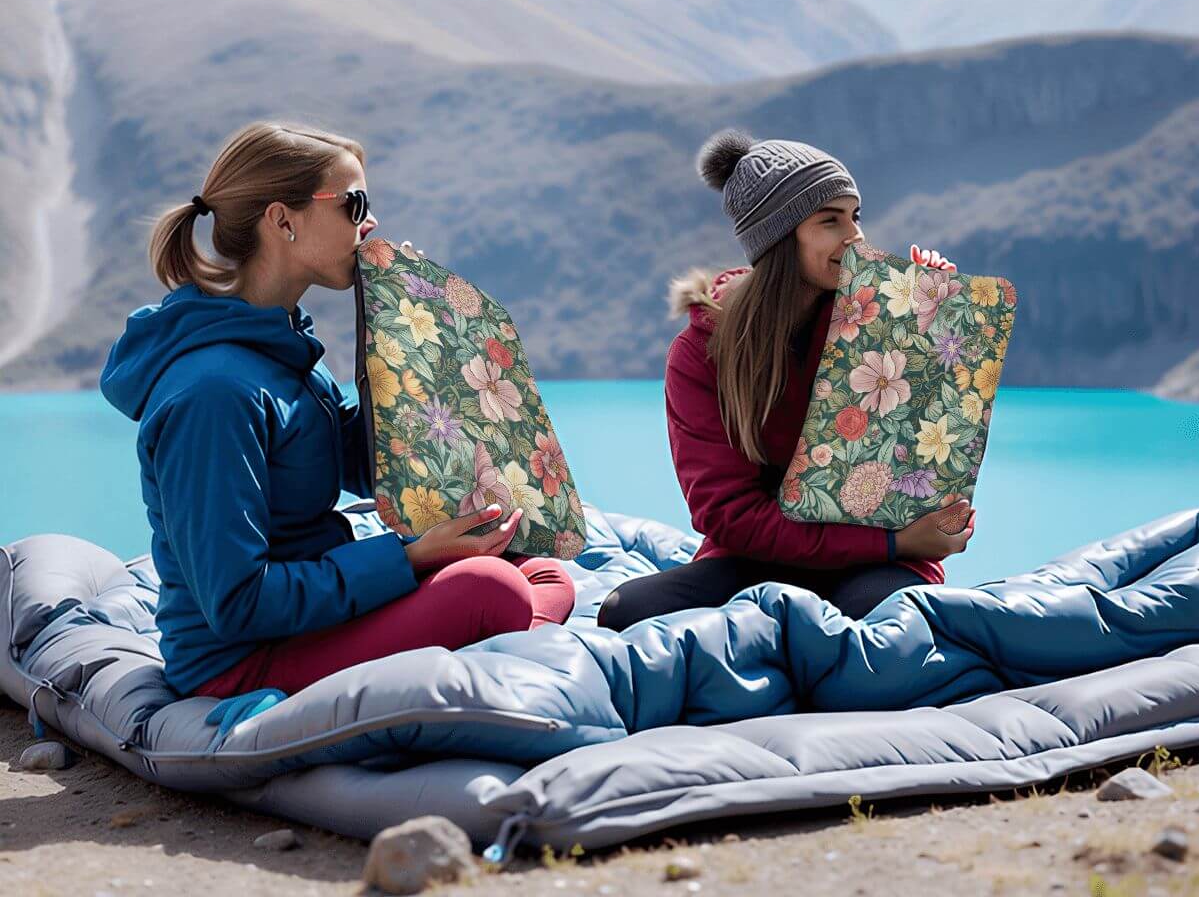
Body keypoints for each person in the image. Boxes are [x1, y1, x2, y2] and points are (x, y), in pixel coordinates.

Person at [100, 121, 574, 698]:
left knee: (536, 570)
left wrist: (415, 330)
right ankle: (501, 653)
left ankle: (493, 651)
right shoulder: (213, 394)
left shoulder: (281, 344)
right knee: (491, 590)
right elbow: (238, 603)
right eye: (354, 204)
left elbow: (365, 465)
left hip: (321, 617)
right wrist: (412, 559)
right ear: (282, 220)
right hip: (245, 659)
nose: (369, 223)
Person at [597, 130, 975, 631]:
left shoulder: (881, 317)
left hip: (877, 564)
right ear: (779, 237)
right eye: (830, 221)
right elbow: (728, 517)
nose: (855, 237)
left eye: (855, 216)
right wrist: (894, 541)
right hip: (761, 557)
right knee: (626, 612)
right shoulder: (700, 354)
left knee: (881, 623)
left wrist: (926, 324)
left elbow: (929, 468)